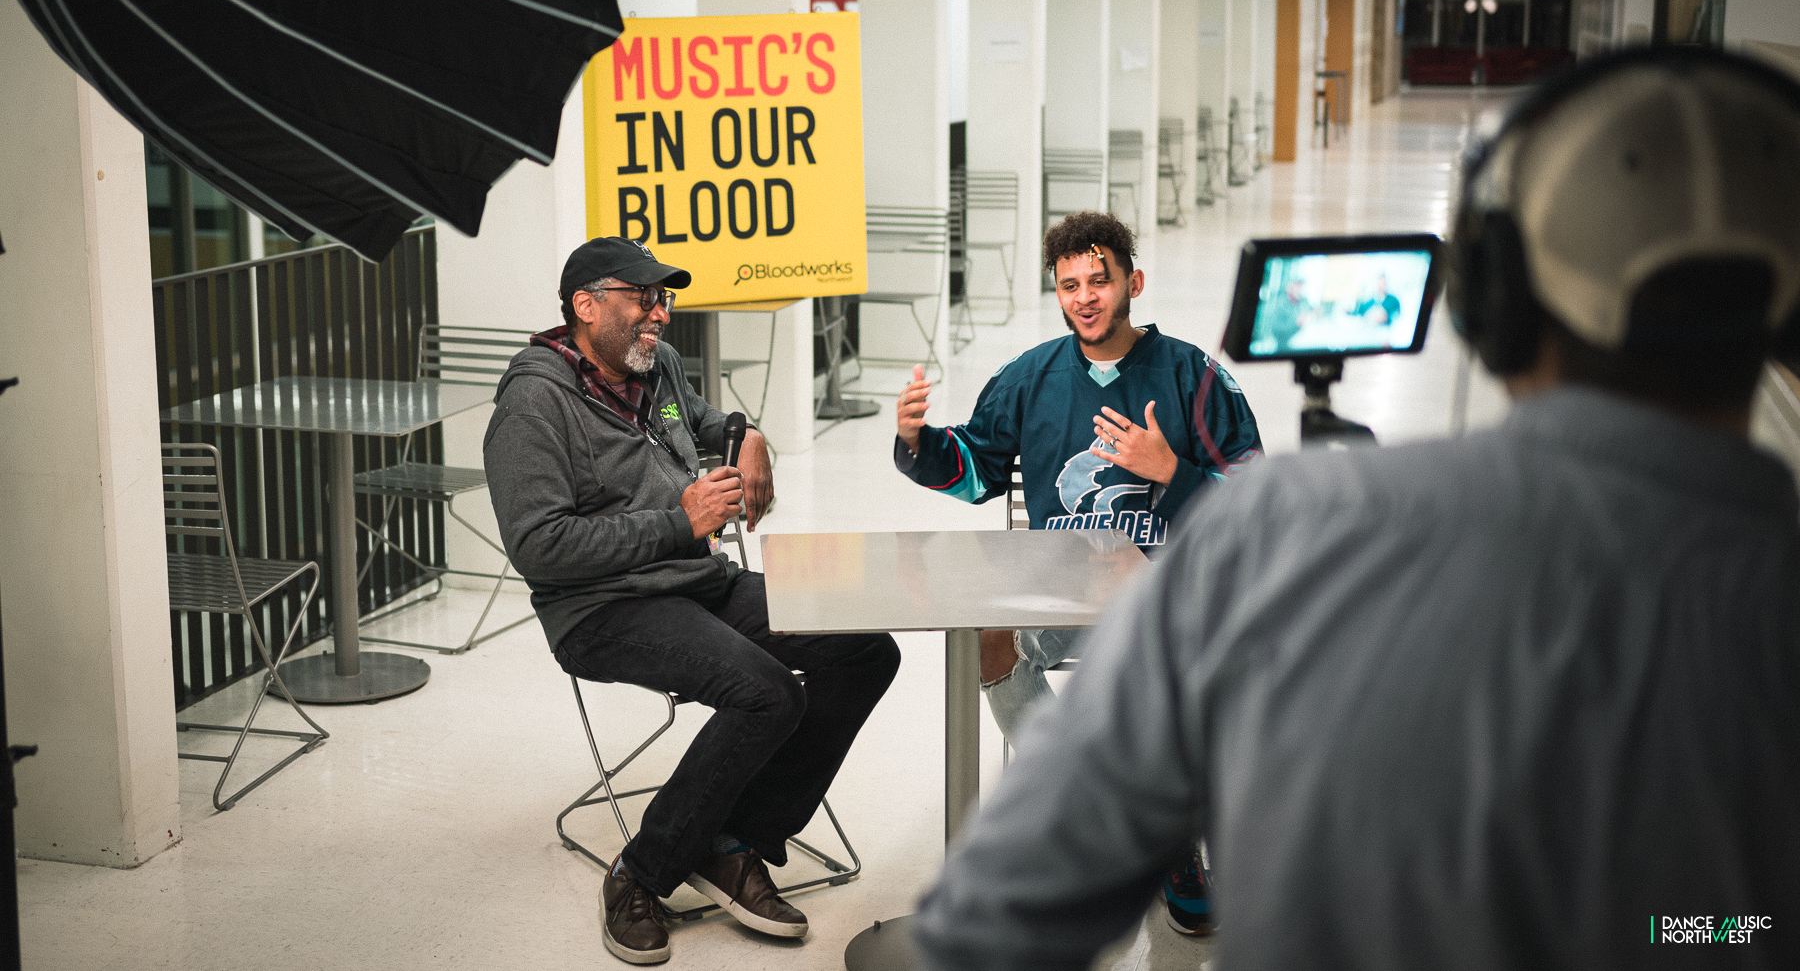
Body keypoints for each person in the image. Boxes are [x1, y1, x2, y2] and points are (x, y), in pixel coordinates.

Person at [912, 47, 1800, 971]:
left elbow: (1001, 917)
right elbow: (1740, 928)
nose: (1084, 296)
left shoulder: (1296, 530)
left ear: (1493, 303)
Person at [483, 237, 901, 966]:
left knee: (865, 645)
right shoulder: (533, 404)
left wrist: (750, 436)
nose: (660, 313)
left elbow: (708, 422)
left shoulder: (656, 367)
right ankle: (640, 872)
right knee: (766, 692)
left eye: (664, 298)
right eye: (643, 297)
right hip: (602, 609)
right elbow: (540, 547)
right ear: (586, 306)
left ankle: (734, 837)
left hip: (697, 582)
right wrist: (682, 521)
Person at [894, 211, 1261, 935]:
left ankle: (1171, 843)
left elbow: (1255, 501)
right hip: (1059, 593)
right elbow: (976, 471)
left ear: (1133, 282)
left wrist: (1172, 473)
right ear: (1056, 292)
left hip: (1166, 596)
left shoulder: (1194, 376)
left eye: (1100, 279)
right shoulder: (1028, 378)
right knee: (990, 636)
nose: (1085, 296)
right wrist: (918, 440)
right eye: (1069, 285)